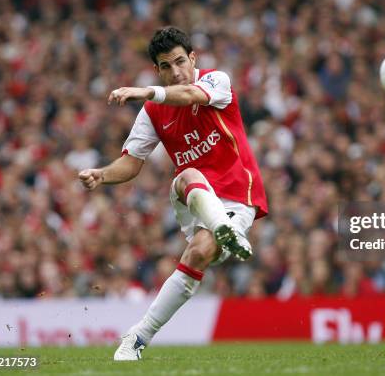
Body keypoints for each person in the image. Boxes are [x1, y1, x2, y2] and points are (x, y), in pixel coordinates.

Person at [78, 26, 268, 360]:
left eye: (181, 61)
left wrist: (146, 91)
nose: (176, 71)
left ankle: (137, 337)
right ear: (158, 69)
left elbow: (191, 96)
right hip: (194, 193)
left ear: (193, 58)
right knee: (188, 173)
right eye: (166, 66)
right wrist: (101, 175)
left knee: (197, 255)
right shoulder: (153, 112)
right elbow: (131, 163)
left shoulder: (216, 80)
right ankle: (226, 229)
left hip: (238, 194)